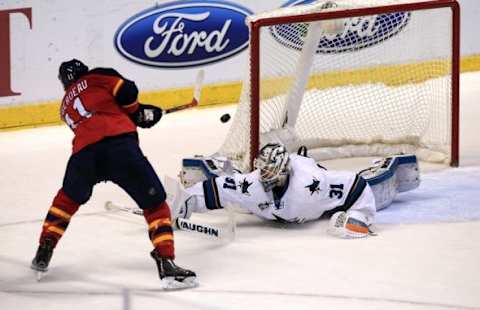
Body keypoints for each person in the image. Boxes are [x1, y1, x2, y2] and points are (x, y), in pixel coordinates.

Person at [31, 59, 196, 288]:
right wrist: (139, 113)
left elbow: (100, 115)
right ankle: (166, 261)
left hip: (84, 155)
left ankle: (45, 247)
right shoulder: (97, 76)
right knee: (155, 204)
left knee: (66, 200)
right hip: (120, 149)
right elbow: (126, 91)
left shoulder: (65, 106)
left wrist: (138, 115)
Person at [175, 143, 420, 238]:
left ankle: (395, 166)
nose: (265, 177)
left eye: (271, 172)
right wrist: (185, 202)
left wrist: (360, 216)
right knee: (237, 189)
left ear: (284, 171)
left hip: (319, 194)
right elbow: (216, 189)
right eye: (262, 170)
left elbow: (356, 185)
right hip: (282, 203)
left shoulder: (312, 184)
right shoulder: (252, 184)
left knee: (378, 189)